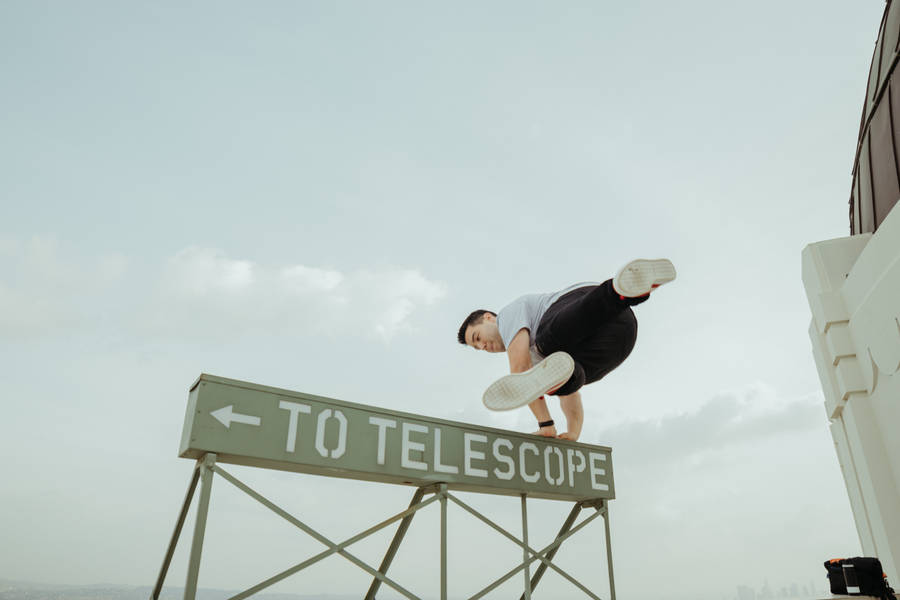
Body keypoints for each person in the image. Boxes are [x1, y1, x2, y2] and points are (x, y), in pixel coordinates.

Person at [457, 258, 675, 441]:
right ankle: (628, 292)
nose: (482, 346)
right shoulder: (541, 367)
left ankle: (620, 290)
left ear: (488, 318)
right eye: (477, 348)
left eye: (478, 337)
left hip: (592, 304)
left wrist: (545, 423)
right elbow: (570, 396)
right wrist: (572, 432)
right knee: (572, 376)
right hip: (620, 339)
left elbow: (519, 369)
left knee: (546, 343)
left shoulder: (508, 315)